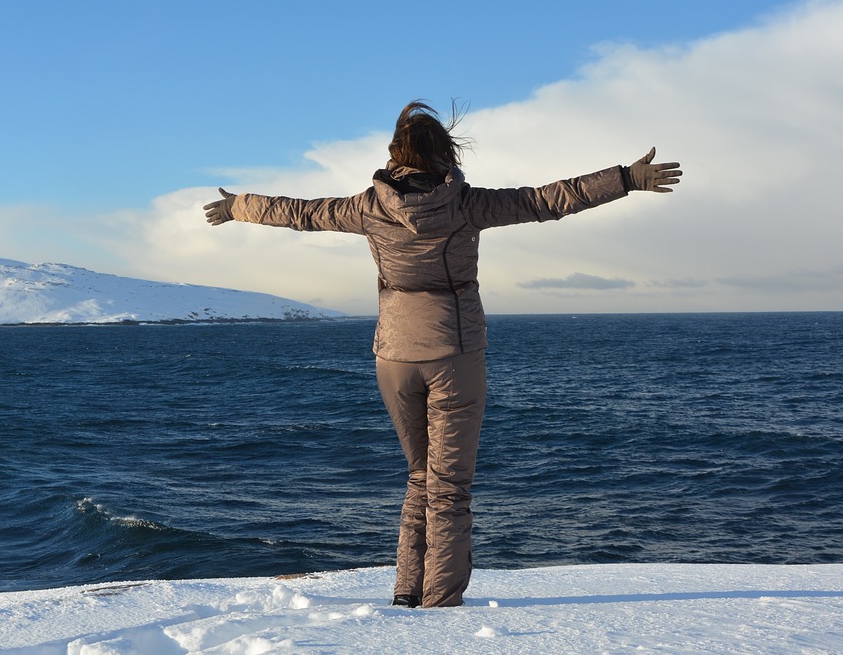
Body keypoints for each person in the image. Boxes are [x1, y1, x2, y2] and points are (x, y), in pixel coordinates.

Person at [203, 100, 682, 608]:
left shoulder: (366, 207)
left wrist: (237, 206)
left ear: (395, 154)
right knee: (449, 487)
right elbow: (547, 200)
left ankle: (408, 594)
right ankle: (441, 608)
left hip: (393, 359)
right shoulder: (467, 204)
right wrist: (627, 178)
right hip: (453, 355)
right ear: (445, 153)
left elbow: (298, 213)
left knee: (419, 476)